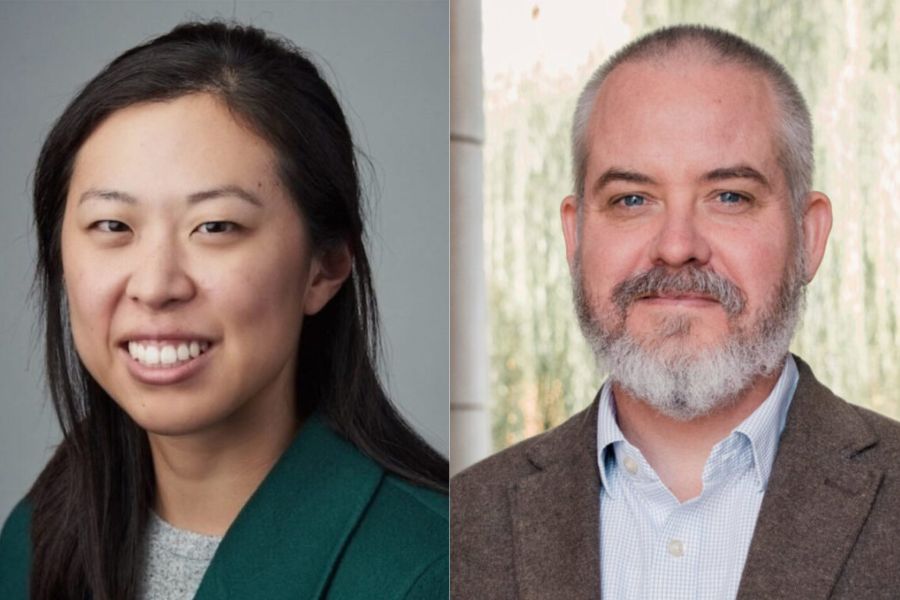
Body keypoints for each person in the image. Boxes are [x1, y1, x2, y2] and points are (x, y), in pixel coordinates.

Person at [0, 22, 448, 600]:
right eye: (113, 226)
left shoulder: (428, 568)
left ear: (327, 266)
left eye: (215, 227)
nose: (156, 285)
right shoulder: (39, 533)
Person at [451, 24, 900, 599]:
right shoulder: (463, 525)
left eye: (730, 196)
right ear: (575, 236)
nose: (676, 245)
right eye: (632, 200)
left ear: (809, 238)